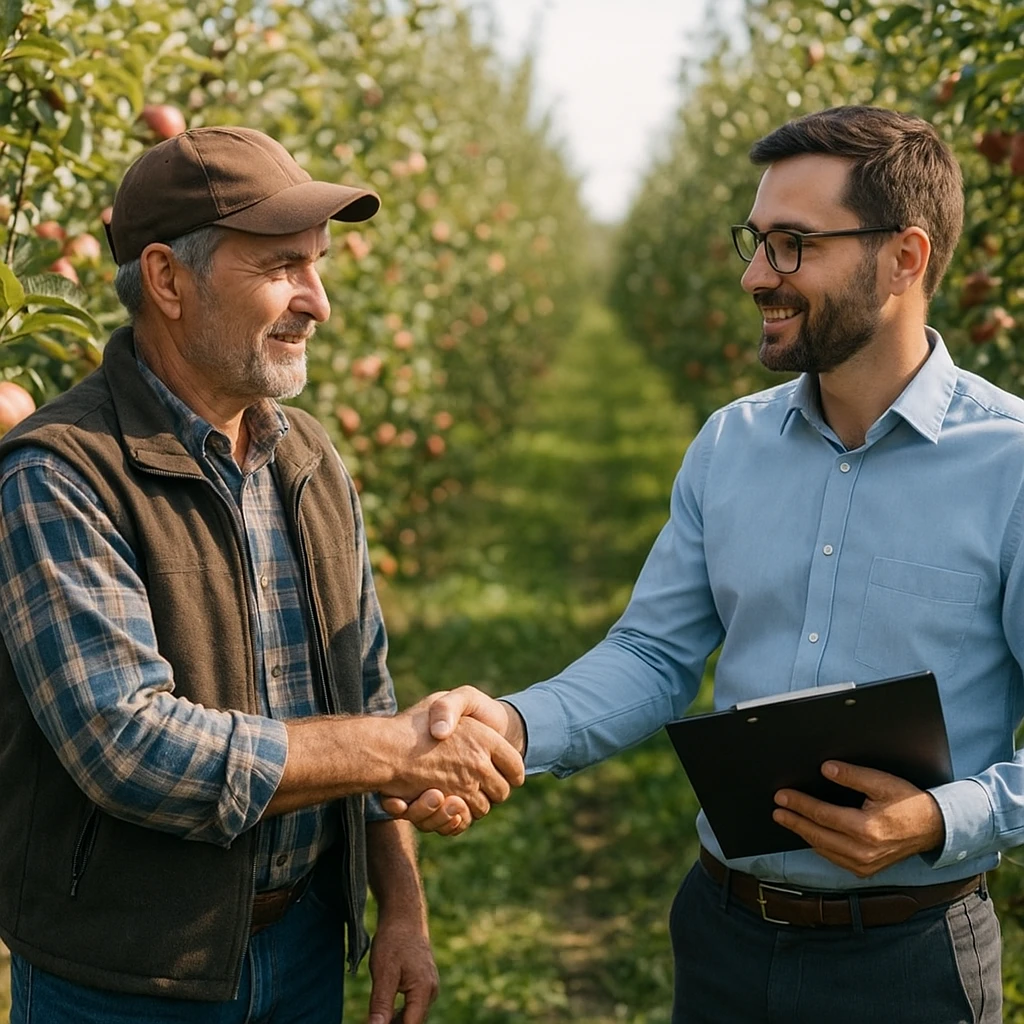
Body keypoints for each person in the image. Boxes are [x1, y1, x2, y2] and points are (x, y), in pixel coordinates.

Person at [391, 106, 1023, 1023]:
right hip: (725, 934)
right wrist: (514, 727)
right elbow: (652, 655)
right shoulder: (732, 445)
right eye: (757, 241)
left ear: (905, 257)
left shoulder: (1006, 466)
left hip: (909, 960)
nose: (755, 275)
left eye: (793, 245)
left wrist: (939, 818)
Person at [0, 126, 524, 1024]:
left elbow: (369, 696)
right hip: (128, 982)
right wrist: (390, 747)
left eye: (318, 267)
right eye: (282, 268)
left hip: (307, 951)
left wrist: (401, 906)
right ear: (167, 279)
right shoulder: (58, 475)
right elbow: (129, 746)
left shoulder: (309, 458)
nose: (316, 302)